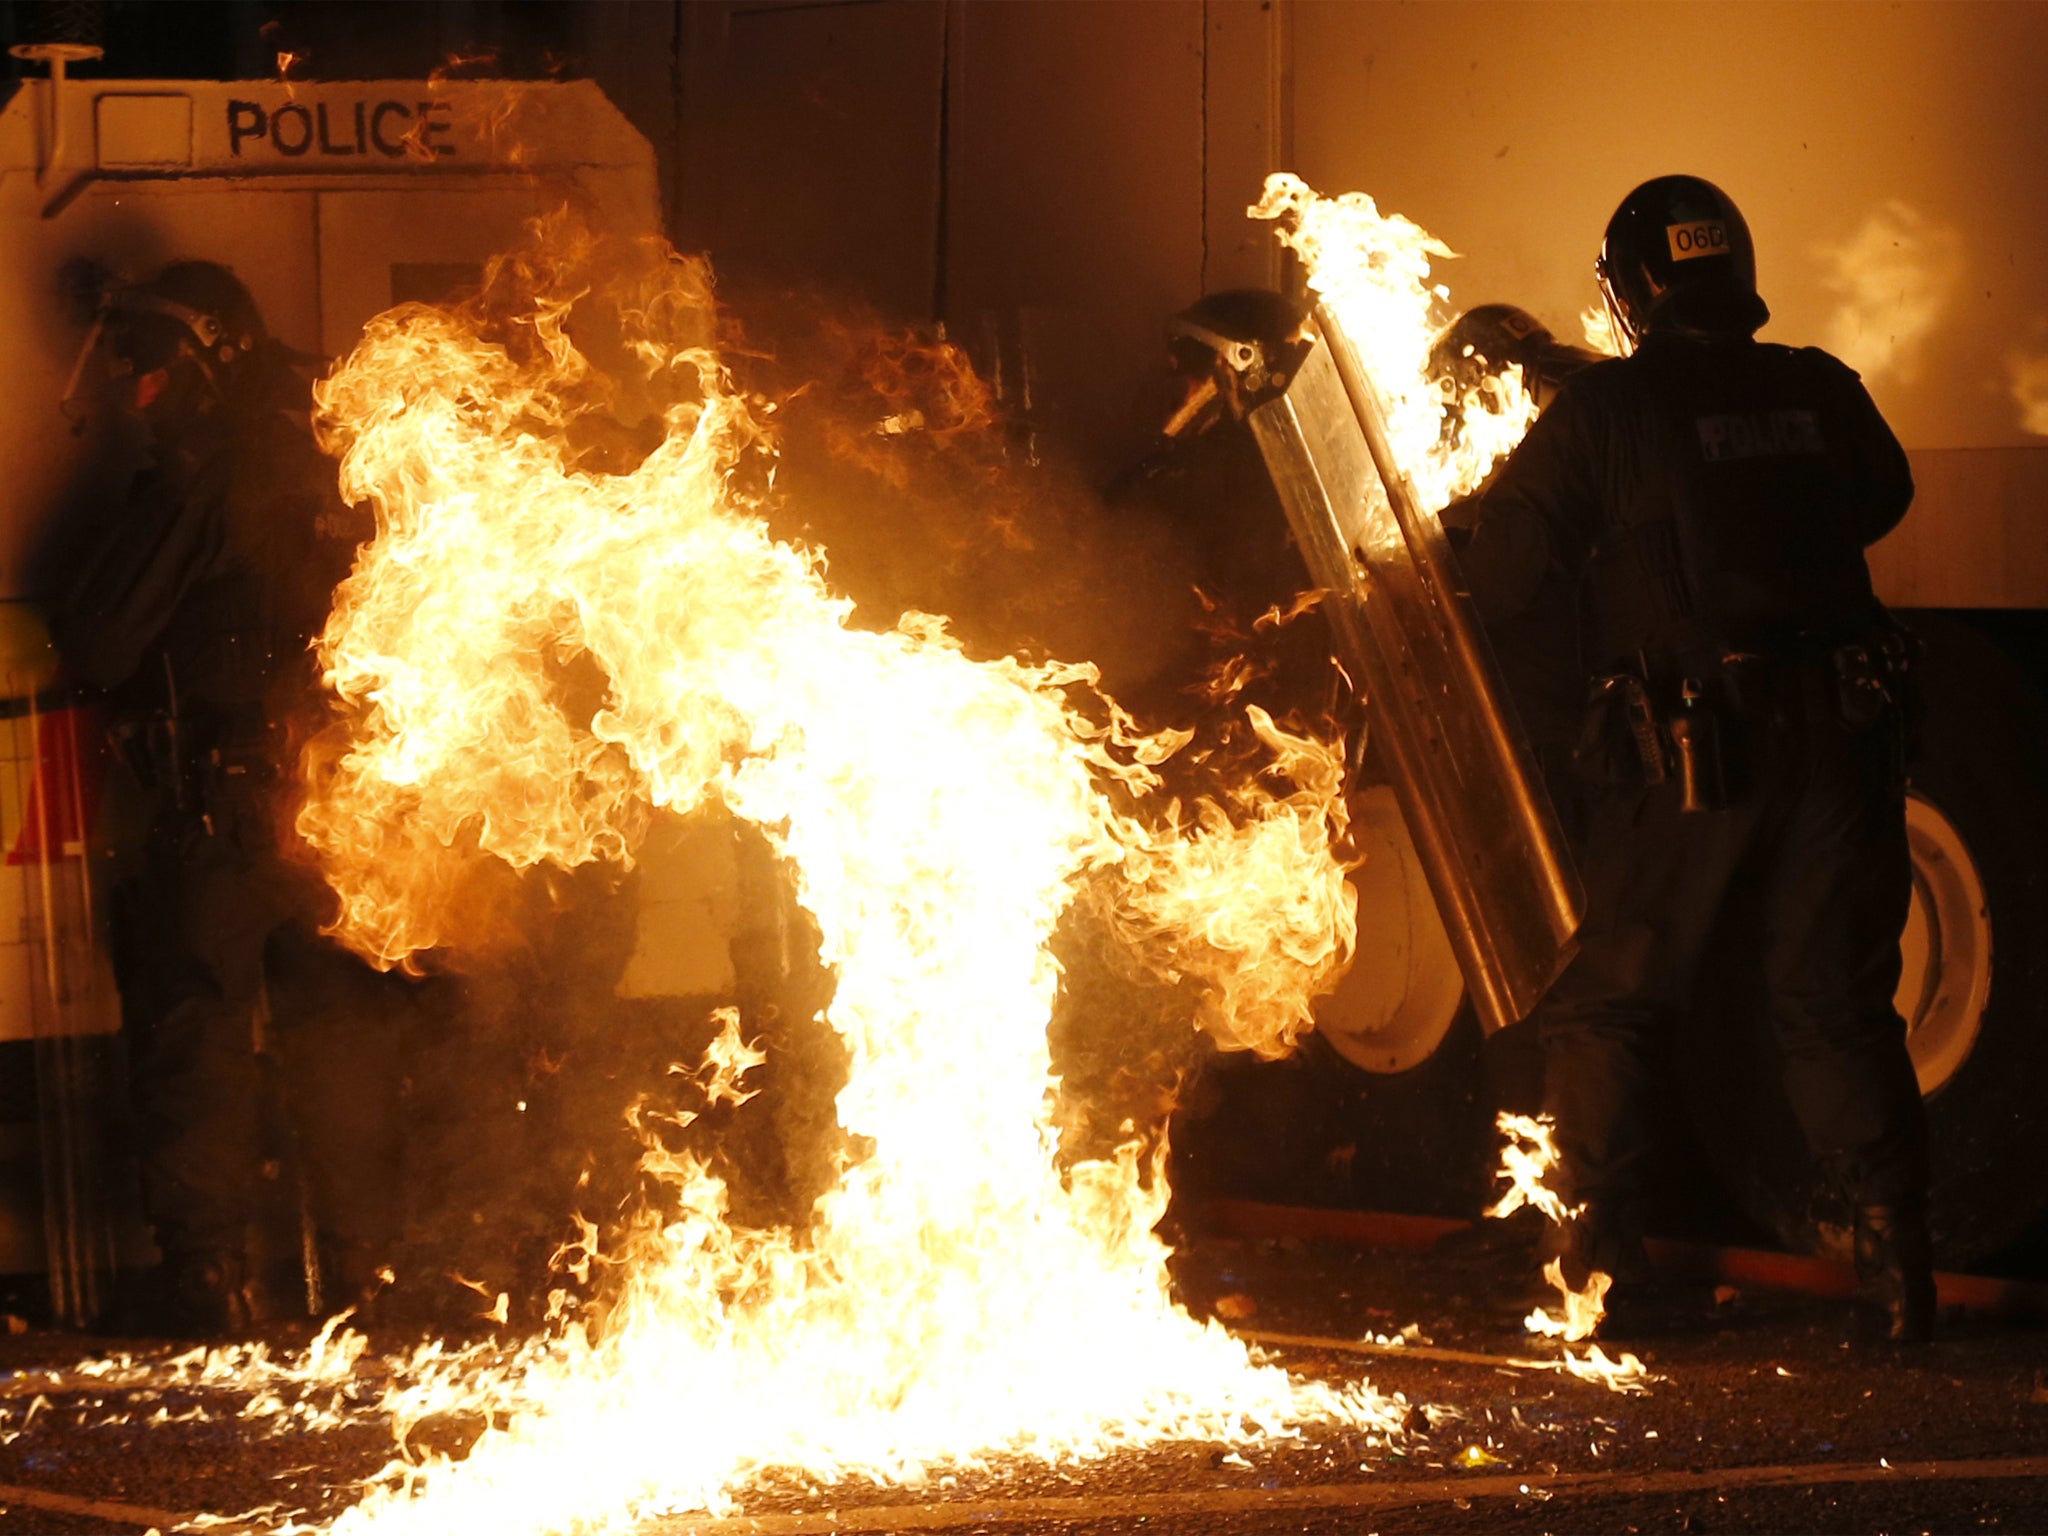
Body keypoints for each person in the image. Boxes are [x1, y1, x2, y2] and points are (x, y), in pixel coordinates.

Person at [1457, 176, 1933, 1342]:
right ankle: (1893, 1261)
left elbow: (1507, 572)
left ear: (1631, 290)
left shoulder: (1607, 413)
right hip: (1840, 740)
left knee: (1610, 1000)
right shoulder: (1819, 386)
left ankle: (1587, 1263)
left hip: (1691, 749)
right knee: (1830, 995)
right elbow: (1881, 497)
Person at [49, 260, 406, 1334]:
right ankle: (366, 1276)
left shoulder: (201, 474)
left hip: (222, 814)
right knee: (339, 1037)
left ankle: (214, 1288)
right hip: (338, 816)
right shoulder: (334, 458)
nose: (133, 393)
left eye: (149, 370)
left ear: (207, 363)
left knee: (196, 1036)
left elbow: (99, 639)